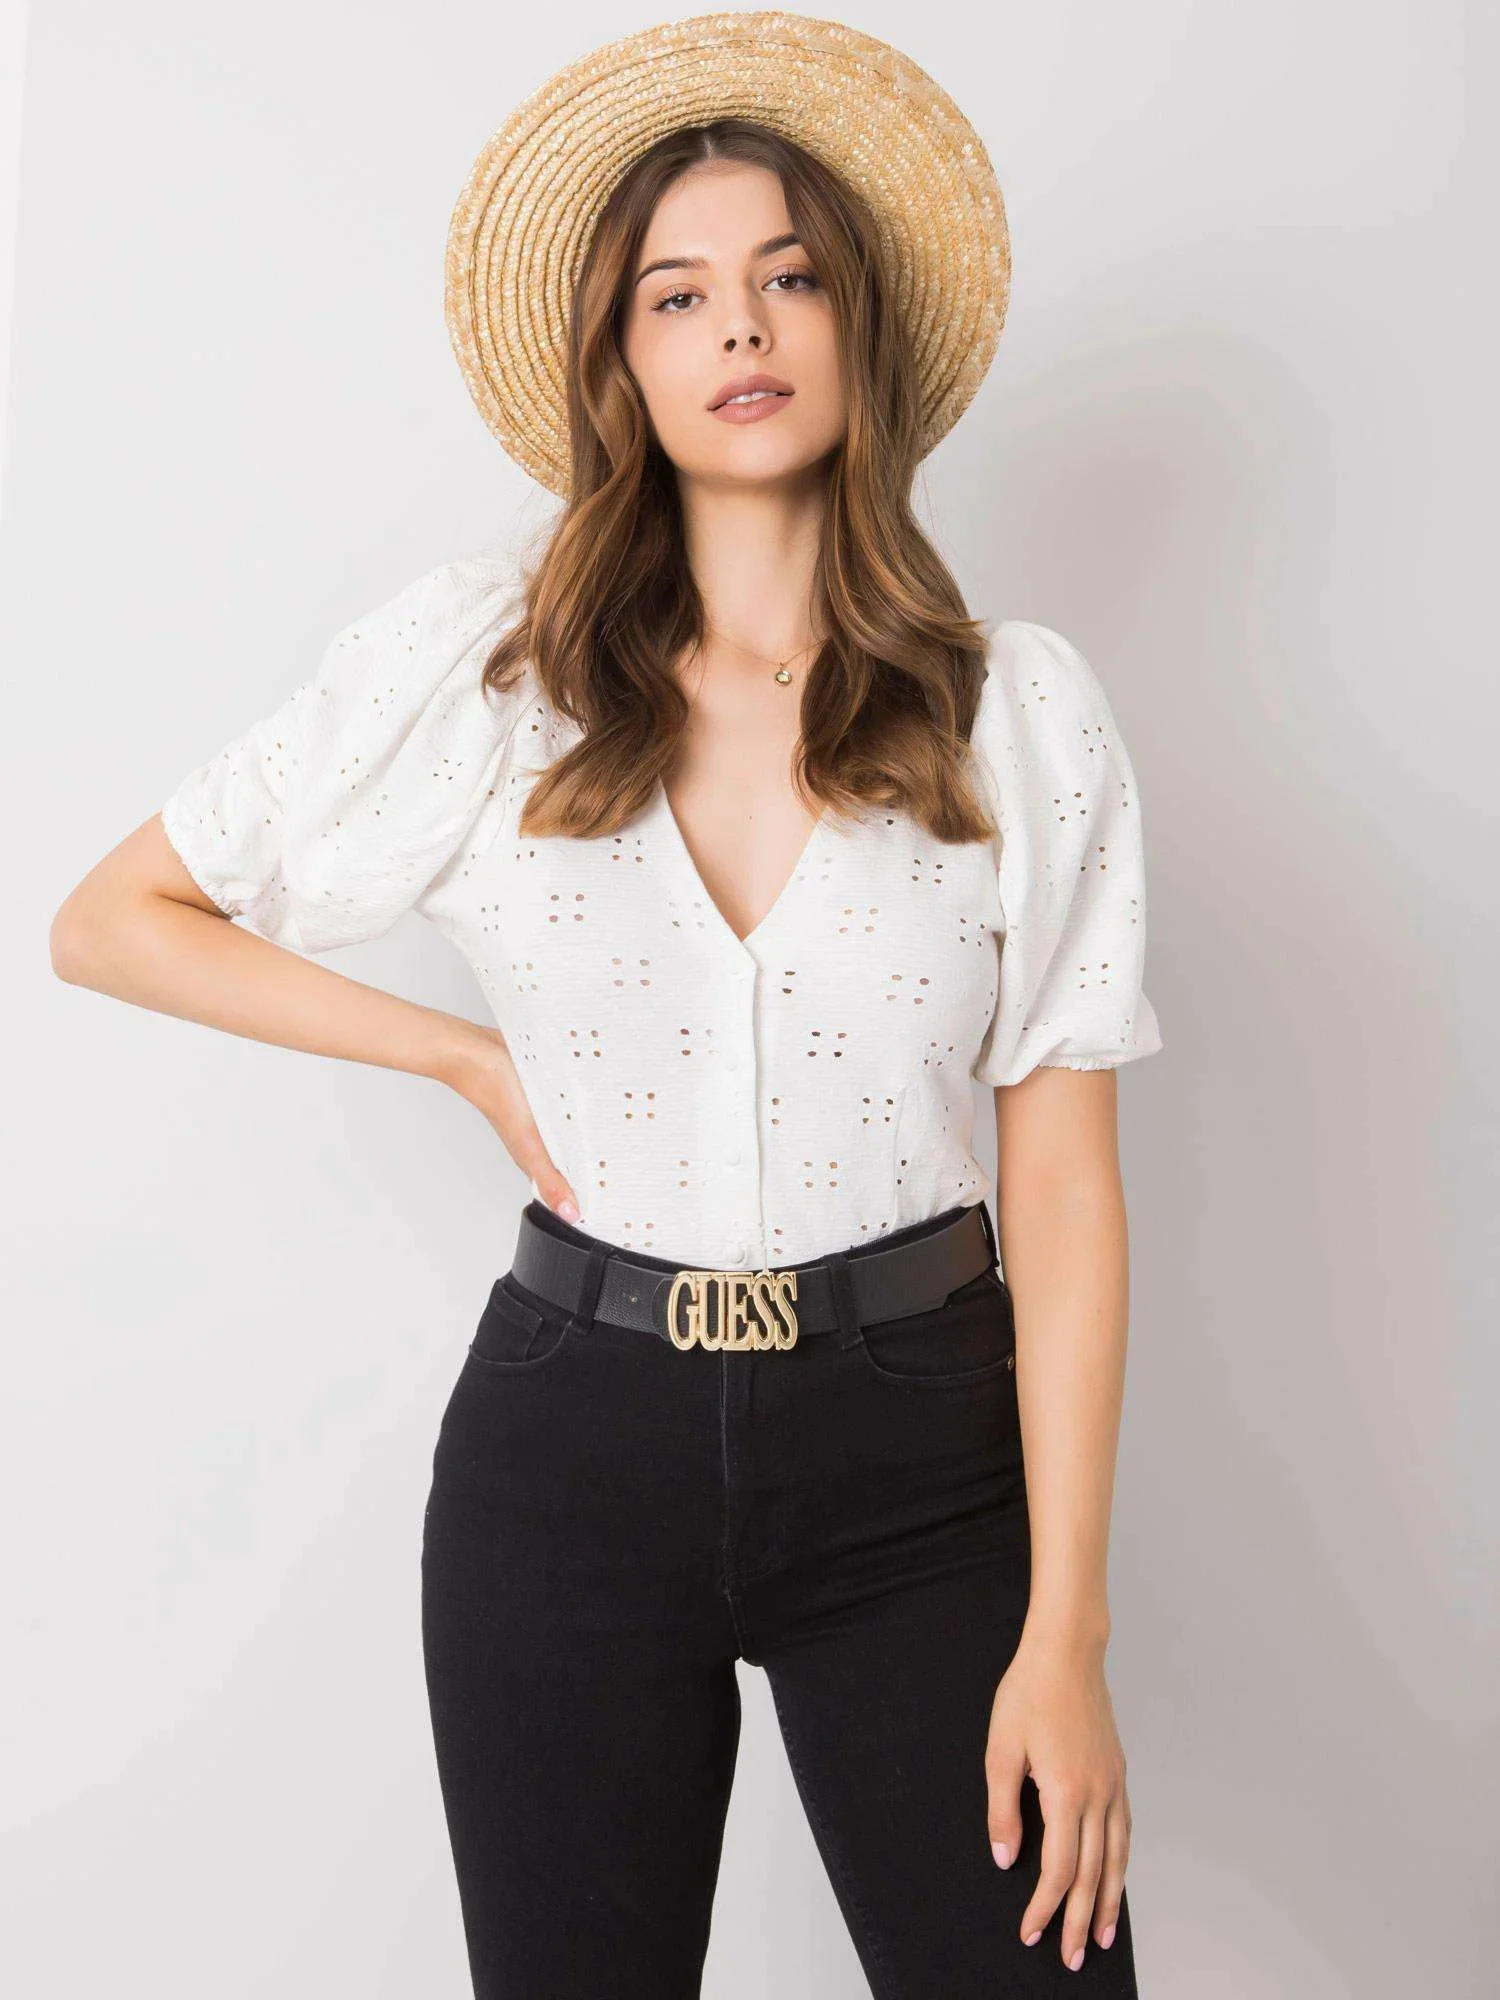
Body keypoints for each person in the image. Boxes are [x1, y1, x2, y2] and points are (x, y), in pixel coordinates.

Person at [50, 13, 1163, 1996]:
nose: (741, 324)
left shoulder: (1016, 708)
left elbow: (1064, 1185)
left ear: (857, 331)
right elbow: (113, 918)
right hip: (572, 1453)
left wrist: (1064, 1628)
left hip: (923, 1458)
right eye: (679, 294)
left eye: (790, 277)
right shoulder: (489, 678)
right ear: (624, 367)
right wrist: (457, 1055)